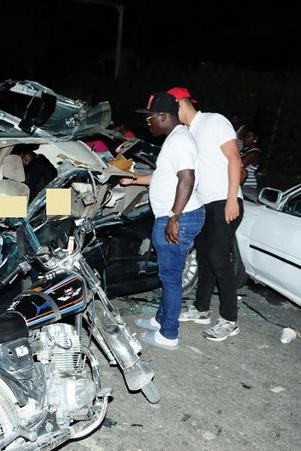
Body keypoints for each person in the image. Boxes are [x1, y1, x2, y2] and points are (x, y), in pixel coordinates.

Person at [119, 92, 204, 350]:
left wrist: (173, 217)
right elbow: (163, 176)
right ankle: (162, 319)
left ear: (164, 116)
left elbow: (186, 179)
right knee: (168, 274)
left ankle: (169, 334)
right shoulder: (174, 139)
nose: (148, 123)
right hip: (177, 215)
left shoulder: (179, 141)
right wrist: (134, 180)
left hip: (180, 216)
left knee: (170, 277)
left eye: (150, 118)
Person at [169, 87, 244, 342]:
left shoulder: (214, 121)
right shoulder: (187, 134)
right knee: (204, 258)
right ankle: (201, 309)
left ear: (179, 103)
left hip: (225, 199)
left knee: (218, 258)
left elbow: (235, 159)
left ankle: (229, 320)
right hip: (205, 205)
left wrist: (232, 199)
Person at [240, 129, 262, 201]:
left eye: (249, 136)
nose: (246, 138)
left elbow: (239, 165)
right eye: (246, 136)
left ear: (255, 139)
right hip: (243, 182)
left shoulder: (254, 153)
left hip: (247, 184)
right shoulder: (246, 150)